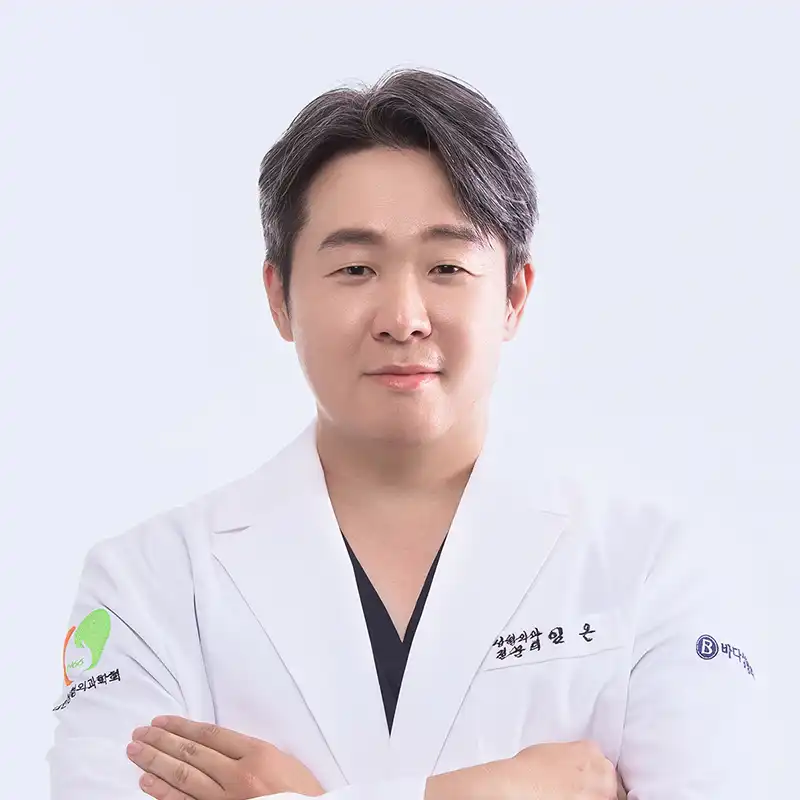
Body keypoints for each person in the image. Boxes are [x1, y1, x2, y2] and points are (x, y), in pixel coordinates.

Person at [47, 67, 761, 800]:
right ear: (280, 297)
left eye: (447, 266)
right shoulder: (150, 584)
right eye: (356, 268)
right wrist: (486, 792)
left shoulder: (652, 567)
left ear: (513, 296)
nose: (403, 318)